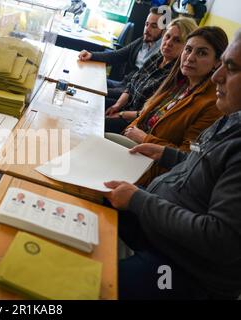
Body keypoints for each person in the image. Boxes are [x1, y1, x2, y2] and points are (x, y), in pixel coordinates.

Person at [103, 29, 241, 300]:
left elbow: (219, 238)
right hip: (157, 229)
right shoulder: (232, 117)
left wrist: (138, 201)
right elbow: (208, 163)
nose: (217, 77)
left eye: (232, 68)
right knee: (87, 199)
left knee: (95, 285)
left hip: (185, 268)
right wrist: (166, 154)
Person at [110, 26, 228, 185]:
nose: (190, 57)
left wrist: (144, 138)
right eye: (188, 49)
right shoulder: (179, 83)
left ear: (217, 63)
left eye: (202, 53)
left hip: (152, 170)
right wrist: (129, 131)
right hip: (135, 151)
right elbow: (142, 118)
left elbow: (187, 156)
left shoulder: (212, 104)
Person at [105, 17, 198, 134]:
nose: (168, 43)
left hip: (137, 122)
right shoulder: (157, 57)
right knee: (95, 102)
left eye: (177, 40)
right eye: (168, 37)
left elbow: (150, 113)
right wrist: (117, 105)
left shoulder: (177, 75)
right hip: (126, 106)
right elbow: (131, 84)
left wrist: (121, 114)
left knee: (100, 122)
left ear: (187, 47)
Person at [78, 7, 164, 107]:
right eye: (146, 24)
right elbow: (117, 55)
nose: (147, 29)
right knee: (87, 82)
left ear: (164, 30)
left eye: (154, 26)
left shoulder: (163, 54)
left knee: (92, 94)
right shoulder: (142, 41)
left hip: (131, 92)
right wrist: (92, 55)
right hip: (123, 83)